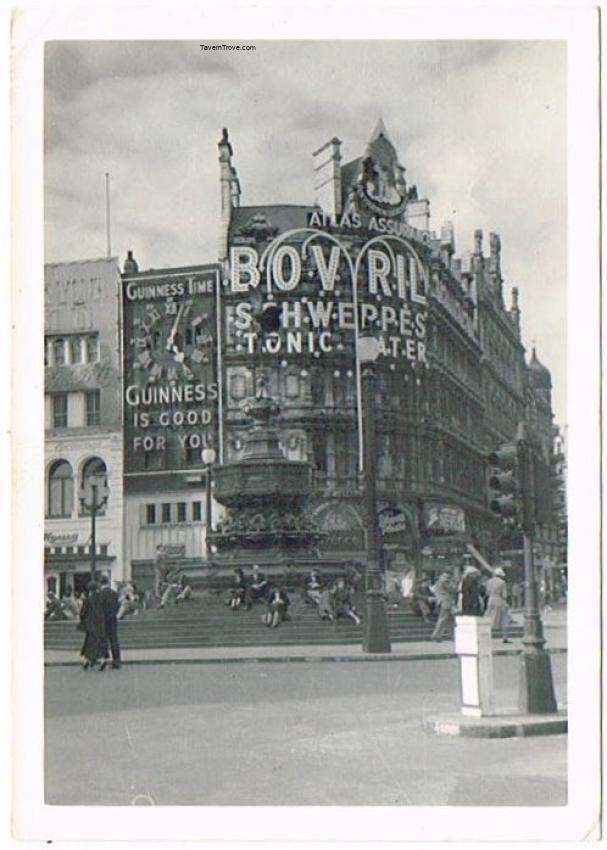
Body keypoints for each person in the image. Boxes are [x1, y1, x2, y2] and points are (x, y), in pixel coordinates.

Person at [78, 580, 109, 670]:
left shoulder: (87, 599)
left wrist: (82, 620)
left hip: (91, 624)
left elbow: (82, 613)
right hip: (101, 623)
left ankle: (86, 661)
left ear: (89, 589)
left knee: (89, 644)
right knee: (101, 642)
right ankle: (103, 660)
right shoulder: (102, 598)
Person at [98, 574, 121, 669]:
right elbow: (117, 605)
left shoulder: (100, 595)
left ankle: (104, 659)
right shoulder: (114, 593)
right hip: (113, 619)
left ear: (100, 583)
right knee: (114, 640)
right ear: (107, 582)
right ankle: (117, 661)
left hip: (103, 620)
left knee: (103, 640)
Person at [485, 567, 512, 643]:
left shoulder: (489, 581)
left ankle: (487, 636)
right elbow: (504, 595)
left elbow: (487, 592)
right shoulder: (502, 582)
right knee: (504, 619)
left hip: (491, 601)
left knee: (490, 619)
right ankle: (505, 637)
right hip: (499, 601)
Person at [431, 571, 456, 642]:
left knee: (450, 620)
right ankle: (436, 635)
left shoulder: (438, 582)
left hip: (442, 601)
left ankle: (453, 636)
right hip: (446, 602)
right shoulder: (445, 582)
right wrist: (453, 583)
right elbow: (453, 589)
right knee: (443, 619)